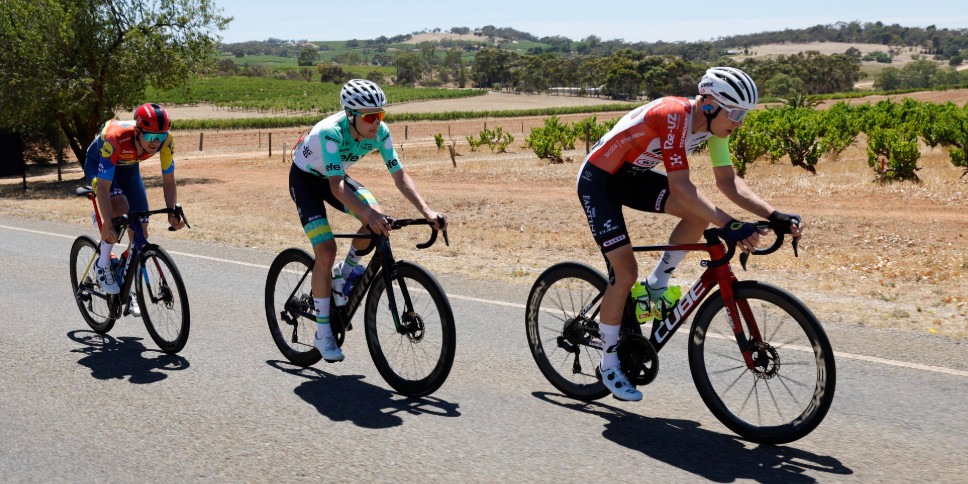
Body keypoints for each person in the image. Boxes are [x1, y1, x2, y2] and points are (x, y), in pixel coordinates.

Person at [576, 67, 802, 401]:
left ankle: (656, 287)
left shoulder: (714, 128)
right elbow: (681, 186)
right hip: (600, 181)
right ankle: (609, 364)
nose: (739, 123)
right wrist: (729, 223)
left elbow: (728, 182)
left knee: (699, 215)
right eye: (736, 113)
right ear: (709, 104)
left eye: (745, 115)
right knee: (624, 274)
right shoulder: (673, 115)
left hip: (634, 176)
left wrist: (772, 214)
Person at [288, 79, 447, 363]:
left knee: (376, 216)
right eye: (370, 116)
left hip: (332, 177)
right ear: (350, 115)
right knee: (326, 249)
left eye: (381, 115)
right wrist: (368, 214)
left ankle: (345, 273)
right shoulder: (330, 133)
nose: (377, 122)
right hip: (306, 180)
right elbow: (337, 186)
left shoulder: (379, 132)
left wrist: (426, 211)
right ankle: (322, 334)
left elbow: (399, 175)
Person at [83, 103, 186, 316]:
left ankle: (122, 277)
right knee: (120, 207)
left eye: (160, 137)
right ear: (137, 132)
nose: (154, 143)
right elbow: (103, 186)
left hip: (128, 170)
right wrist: (108, 222)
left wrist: (171, 211)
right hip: (99, 166)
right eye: (149, 138)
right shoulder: (116, 137)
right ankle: (102, 264)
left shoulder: (165, 141)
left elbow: (168, 180)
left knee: (141, 232)